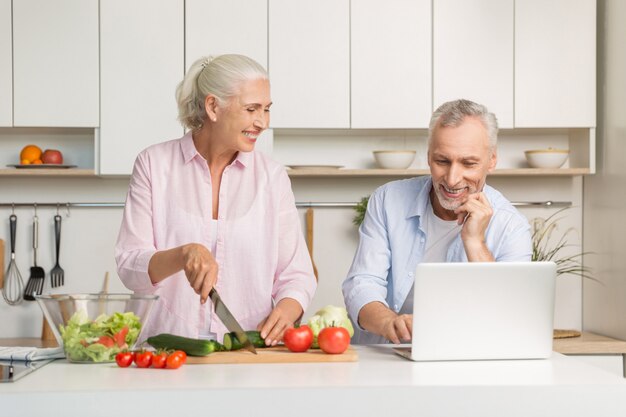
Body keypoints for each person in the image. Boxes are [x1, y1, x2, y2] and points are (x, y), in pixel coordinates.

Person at [115, 54, 316, 346]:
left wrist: (287, 309)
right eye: (251, 109)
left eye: (267, 110)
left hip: (245, 351)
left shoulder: (272, 177)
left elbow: (297, 274)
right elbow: (129, 266)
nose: (262, 122)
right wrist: (184, 254)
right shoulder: (154, 165)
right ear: (213, 107)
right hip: (163, 350)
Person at [342, 99, 532, 345]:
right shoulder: (388, 200)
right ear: (429, 156)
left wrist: (475, 242)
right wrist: (390, 322)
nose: (452, 179)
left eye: (469, 163)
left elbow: (510, 317)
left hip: (465, 358)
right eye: (442, 161)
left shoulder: (512, 227)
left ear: (492, 160)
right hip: (383, 355)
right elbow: (362, 284)